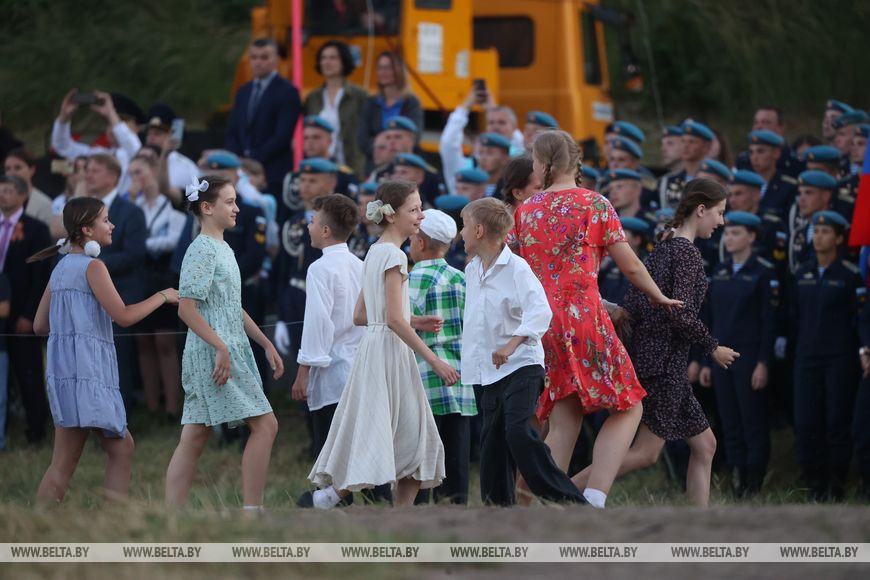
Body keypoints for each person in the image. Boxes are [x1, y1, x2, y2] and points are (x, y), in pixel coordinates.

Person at [515, 130, 682, 508]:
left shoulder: (526, 211)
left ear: (543, 165)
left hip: (544, 321)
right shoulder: (595, 205)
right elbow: (632, 267)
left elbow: (519, 271)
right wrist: (660, 297)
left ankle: (550, 502)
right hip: (585, 316)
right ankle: (593, 498)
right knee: (629, 405)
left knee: (565, 415)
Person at [304, 180, 458, 509]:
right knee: (413, 435)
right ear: (391, 215)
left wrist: (415, 320)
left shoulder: (374, 251)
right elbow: (392, 320)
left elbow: (363, 315)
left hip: (375, 349)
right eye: (413, 210)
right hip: (390, 353)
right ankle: (344, 501)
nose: (420, 216)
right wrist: (435, 360)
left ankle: (337, 499)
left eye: (420, 208)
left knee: (394, 431)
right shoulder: (395, 257)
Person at [589, 178, 740, 507]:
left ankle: (697, 530)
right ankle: (563, 491)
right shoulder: (685, 254)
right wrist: (713, 347)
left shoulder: (664, 247)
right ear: (701, 210)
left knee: (705, 446)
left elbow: (636, 305)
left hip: (658, 361)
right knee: (645, 453)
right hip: (664, 365)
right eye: (719, 213)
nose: (722, 221)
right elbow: (680, 314)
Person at [30, 197, 180, 502]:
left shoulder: (59, 268)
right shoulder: (93, 267)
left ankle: (47, 527)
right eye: (106, 221)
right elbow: (123, 316)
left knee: (82, 456)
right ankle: (113, 524)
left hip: (64, 373)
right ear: (87, 229)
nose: (112, 226)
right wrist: (162, 296)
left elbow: (38, 326)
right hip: (88, 373)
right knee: (110, 450)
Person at [165, 175, 284, 511]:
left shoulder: (222, 246)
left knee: (194, 436)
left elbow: (231, 306)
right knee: (266, 424)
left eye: (236, 201)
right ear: (207, 207)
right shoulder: (201, 249)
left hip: (227, 348)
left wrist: (265, 344)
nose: (236, 208)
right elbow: (186, 309)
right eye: (229, 202)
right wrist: (219, 347)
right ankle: (252, 511)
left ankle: (171, 516)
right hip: (214, 353)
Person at [460, 197, 584, 506]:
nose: (459, 234)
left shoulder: (516, 268)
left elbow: (539, 311)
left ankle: (567, 499)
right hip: (490, 372)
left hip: (522, 366)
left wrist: (511, 344)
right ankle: (498, 509)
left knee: (517, 432)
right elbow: (476, 322)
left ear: (478, 230)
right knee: (492, 443)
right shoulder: (472, 270)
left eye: (463, 227)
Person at [699, 211, 777, 497]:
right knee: (730, 423)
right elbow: (711, 317)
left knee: (752, 421)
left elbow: (770, 321)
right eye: (728, 233)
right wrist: (707, 358)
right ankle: (737, 481)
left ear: (752, 237)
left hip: (750, 358)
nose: (729, 238)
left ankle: (754, 484)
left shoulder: (763, 271)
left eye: (736, 233)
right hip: (721, 359)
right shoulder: (720, 271)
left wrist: (763, 362)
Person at [790, 210, 863, 501]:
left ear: (839, 238)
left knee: (836, 422)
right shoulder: (802, 273)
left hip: (839, 359)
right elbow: (793, 316)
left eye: (825, 232)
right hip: (806, 359)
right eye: (815, 232)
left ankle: (836, 485)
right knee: (807, 422)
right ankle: (813, 484)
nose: (818, 237)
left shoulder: (848, 275)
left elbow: (857, 319)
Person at [289, 193, 364, 469]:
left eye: (311, 221)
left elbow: (318, 323)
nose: (308, 226)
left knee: (331, 450)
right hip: (360, 367)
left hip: (334, 370)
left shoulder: (319, 269)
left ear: (325, 230)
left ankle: (334, 501)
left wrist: (303, 370)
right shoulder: (361, 264)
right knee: (362, 444)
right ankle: (375, 500)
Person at [408, 209, 477, 505]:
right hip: (459, 375)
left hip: (423, 374)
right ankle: (456, 505)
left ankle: (420, 504)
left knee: (422, 449)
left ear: (421, 243)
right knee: (456, 449)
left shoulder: (413, 278)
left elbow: (399, 319)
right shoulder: (461, 278)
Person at [83, 154, 147, 408]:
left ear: (112, 176)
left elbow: (134, 255)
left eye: (95, 170)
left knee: (117, 360)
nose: (88, 175)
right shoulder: (81, 211)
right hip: (88, 299)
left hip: (121, 296)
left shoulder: (130, 212)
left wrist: (91, 268)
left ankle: (122, 418)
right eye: (87, 169)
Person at [127, 154, 186, 421]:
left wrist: (142, 245)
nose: (135, 178)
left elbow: (175, 239)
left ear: (152, 171)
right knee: (142, 341)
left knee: (165, 340)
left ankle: (172, 406)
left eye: (139, 171)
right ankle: (151, 405)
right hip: (141, 276)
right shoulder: (133, 205)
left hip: (163, 274)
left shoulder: (169, 205)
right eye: (131, 173)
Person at [0, 175, 52, 444]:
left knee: (28, 372)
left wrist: (30, 314)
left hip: (22, 310)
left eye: (9, 191)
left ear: (22, 196)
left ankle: (36, 430)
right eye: (1, 190)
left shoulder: (36, 229)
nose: (3, 196)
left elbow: (41, 277)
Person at [225, 38, 302, 197]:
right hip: (241, 172)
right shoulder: (243, 91)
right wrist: (238, 160)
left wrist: (253, 159)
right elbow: (232, 129)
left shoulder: (288, 92)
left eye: (264, 57)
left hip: (272, 173)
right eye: (254, 57)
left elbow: (283, 135)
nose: (258, 62)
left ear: (277, 60)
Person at [51, 90, 144, 195]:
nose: (113, 128)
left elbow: (136, 150)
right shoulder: (99, 154)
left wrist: (111, 114)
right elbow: (63, 147)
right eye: (108, 123)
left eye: (119, 122)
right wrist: (64, 118)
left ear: (137, 128)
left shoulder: (136, 154)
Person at [304, 40, 368, 177]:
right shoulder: (313, 97)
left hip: (351, 166)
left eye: (333, 58)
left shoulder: (359, 95)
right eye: (323, 58)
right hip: (320, 168)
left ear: (344, 61)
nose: (327, 62)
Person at [358, 51, 424, 169]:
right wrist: (384, 152)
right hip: (375, 165)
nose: (383, 72)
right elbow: (362, 139)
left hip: (404, 167)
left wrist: (386, 146)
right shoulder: (370, 102)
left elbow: (414, 136)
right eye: (380, 68)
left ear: (399, 71)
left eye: (388, 68)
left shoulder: (411, 102)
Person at [142, 103, 200, 205]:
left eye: (157, 134)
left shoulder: (186, 167)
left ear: (172, 135)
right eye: (149, 133)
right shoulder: (139, 161)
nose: (151, 138)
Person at [787, 170, 837, 274]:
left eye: (808, 193)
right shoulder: (798, 232)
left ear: (825, 196)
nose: (802, 199)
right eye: (800, 193)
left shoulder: (837, 230)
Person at [658, 120, 714, 211]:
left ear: (706, 147)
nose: (686, 146)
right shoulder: (667, 182)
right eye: (683, 141)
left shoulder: (713, 179)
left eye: (692, 142)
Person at [598, 216, 653, 304]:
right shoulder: (607, 262)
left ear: (637, 240)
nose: (614, 238)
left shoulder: (648, 265)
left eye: (621, 234)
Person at [748, 130, 799, 218]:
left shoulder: (788, 187)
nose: (754, 157)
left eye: (760, 151)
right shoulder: (746, 184)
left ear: (776, 153)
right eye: (751, 152)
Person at [4, 148, 54, 226]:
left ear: (32, 170)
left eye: (17, 168)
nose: (12, 173)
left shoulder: (44, 204)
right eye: (8, 168)